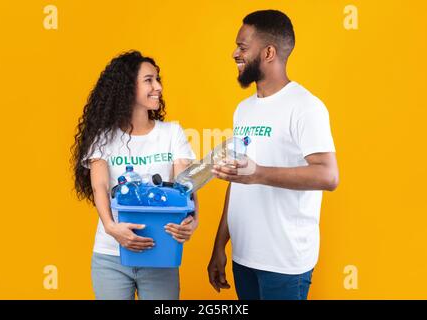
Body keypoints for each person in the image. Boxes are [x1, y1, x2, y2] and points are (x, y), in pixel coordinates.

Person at [208, 10, 339, 300]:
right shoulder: (243, 109)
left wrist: (258, 173)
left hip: (284, 263)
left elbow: (328, 175)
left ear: (268, 52)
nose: (234, 53)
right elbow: (239, 178)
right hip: (244, 257)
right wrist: (220, 245)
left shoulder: (305, 106)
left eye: (243, 47)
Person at [71, 50, 198, 300]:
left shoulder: (172, 133)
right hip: (111, 256)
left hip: (161, 251)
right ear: (127, 87)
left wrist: (192, 221)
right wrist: (111, 227)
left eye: (158, 79)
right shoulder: (103, 137)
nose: (158, 87)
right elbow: (100, 187)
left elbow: (186, 186)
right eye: (149, 80)